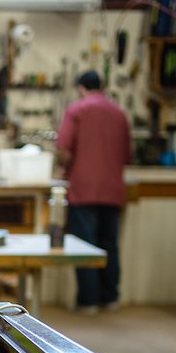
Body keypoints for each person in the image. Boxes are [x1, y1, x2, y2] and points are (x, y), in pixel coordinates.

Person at [55, 70, 133, 313]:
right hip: (112, 189)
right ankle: (110, 297)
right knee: (109, 244)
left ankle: (88, 300)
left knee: (84, 245)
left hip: (84, 188)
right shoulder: (119, 113)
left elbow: (64, 149)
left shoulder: (77, 110)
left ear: (81, 88)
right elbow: (128, 154)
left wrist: (63, 168)